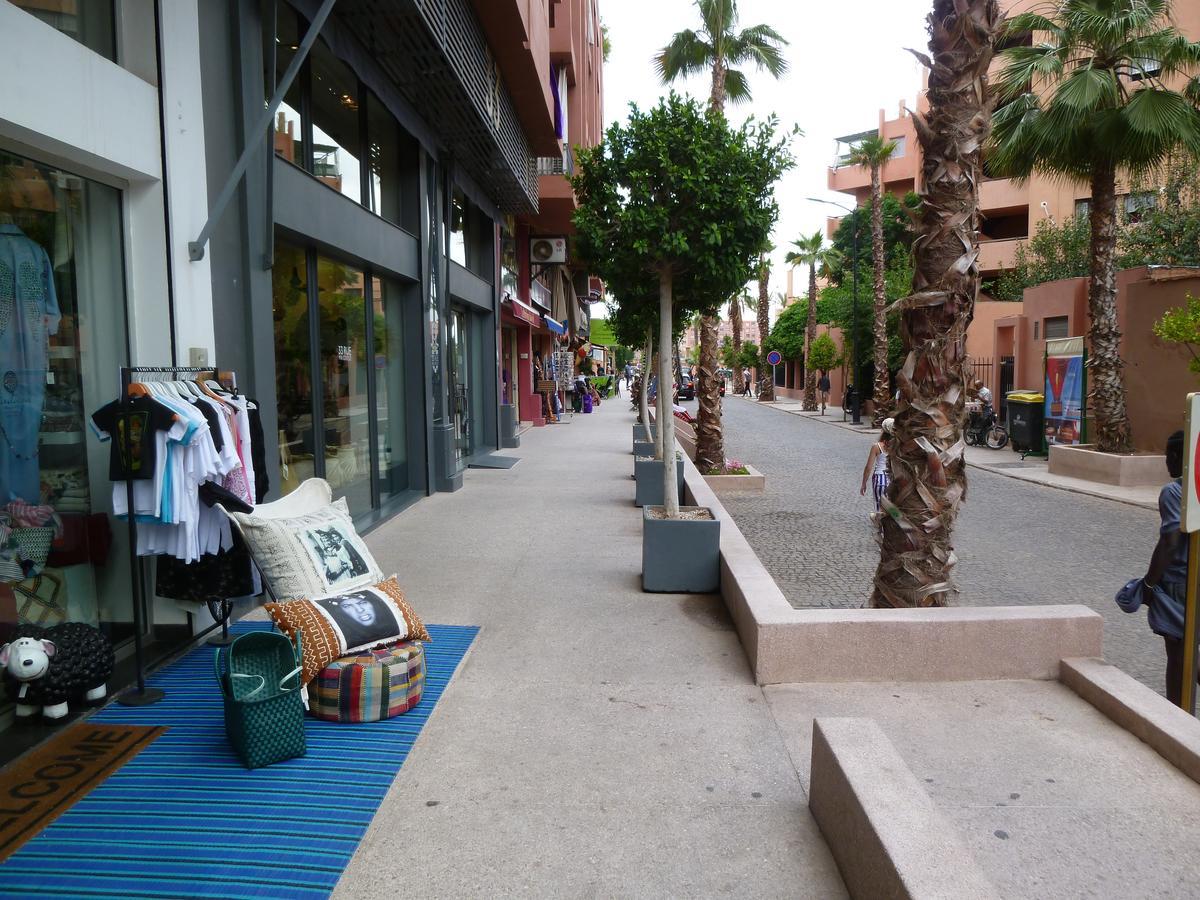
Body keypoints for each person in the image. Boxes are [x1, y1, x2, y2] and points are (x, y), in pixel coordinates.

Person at [1140, 430, 1196, 705]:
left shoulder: (1175, 492)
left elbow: (1171, 542)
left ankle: (1176, 720)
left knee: (1178, 658)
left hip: (1179, 584)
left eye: (1166, 455)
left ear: (1176, 456)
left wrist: (1149, 584)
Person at [860, 418, 895, 514]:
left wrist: (864, 483)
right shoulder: (897, 446)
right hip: (892, 479)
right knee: (892, 506)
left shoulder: (877, 446)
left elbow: (868, 467)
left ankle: (881, 526)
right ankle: (896, 523)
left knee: (879, 506)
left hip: (880, 479)